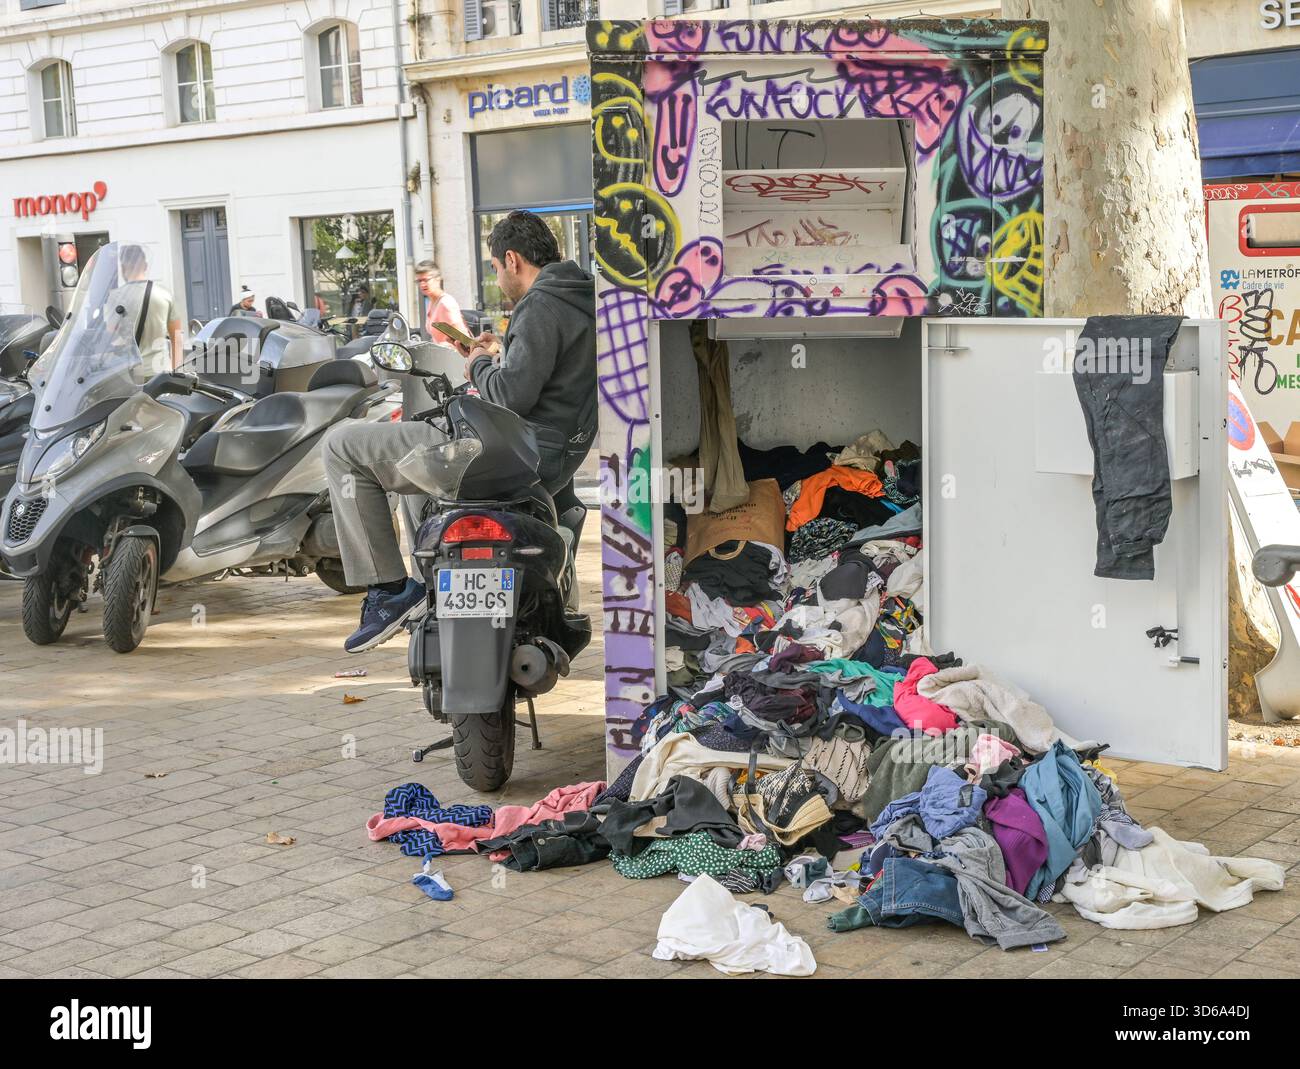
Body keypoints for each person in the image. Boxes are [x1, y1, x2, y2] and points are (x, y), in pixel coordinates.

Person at [321, 209, 596, 653]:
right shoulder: (581, 298)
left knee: (341, 447)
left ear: (511, 259)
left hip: (501, 453)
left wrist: (478, 363)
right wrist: (500, 351)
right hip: (554, 458)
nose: (499, 278)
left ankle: (390, 591)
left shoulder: (541, 303)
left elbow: (510, 396)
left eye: (494, 268)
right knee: (411, 485)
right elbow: (550, 379)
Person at [112, 243, 182, 368]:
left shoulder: (115, 297)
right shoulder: (164, 294)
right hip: (160, 372)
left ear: (122, 268)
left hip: (128, 374)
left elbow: (111, 337)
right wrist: (176, 372)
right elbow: (177, 338)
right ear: (145, 266)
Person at [415, 261, 468, 342]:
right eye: (419, 281)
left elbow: (463, 339)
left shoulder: (445, 303)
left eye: (426, 280)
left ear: (437, 279)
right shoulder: (432, 302)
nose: (422, 284)